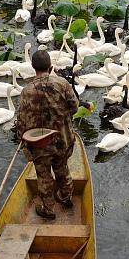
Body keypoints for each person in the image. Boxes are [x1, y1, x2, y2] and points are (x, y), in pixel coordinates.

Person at [14, 49, 79, 219]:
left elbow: (21, 120)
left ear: (33, 67)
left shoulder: (26, 91)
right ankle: (66, 198)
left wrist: (22, 137)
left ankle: (48, 209)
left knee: (43, 176)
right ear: (50, 67)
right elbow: (74, 107)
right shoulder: (63, 84)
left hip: (39, 144)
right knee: (62, 168)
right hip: (62, 139)